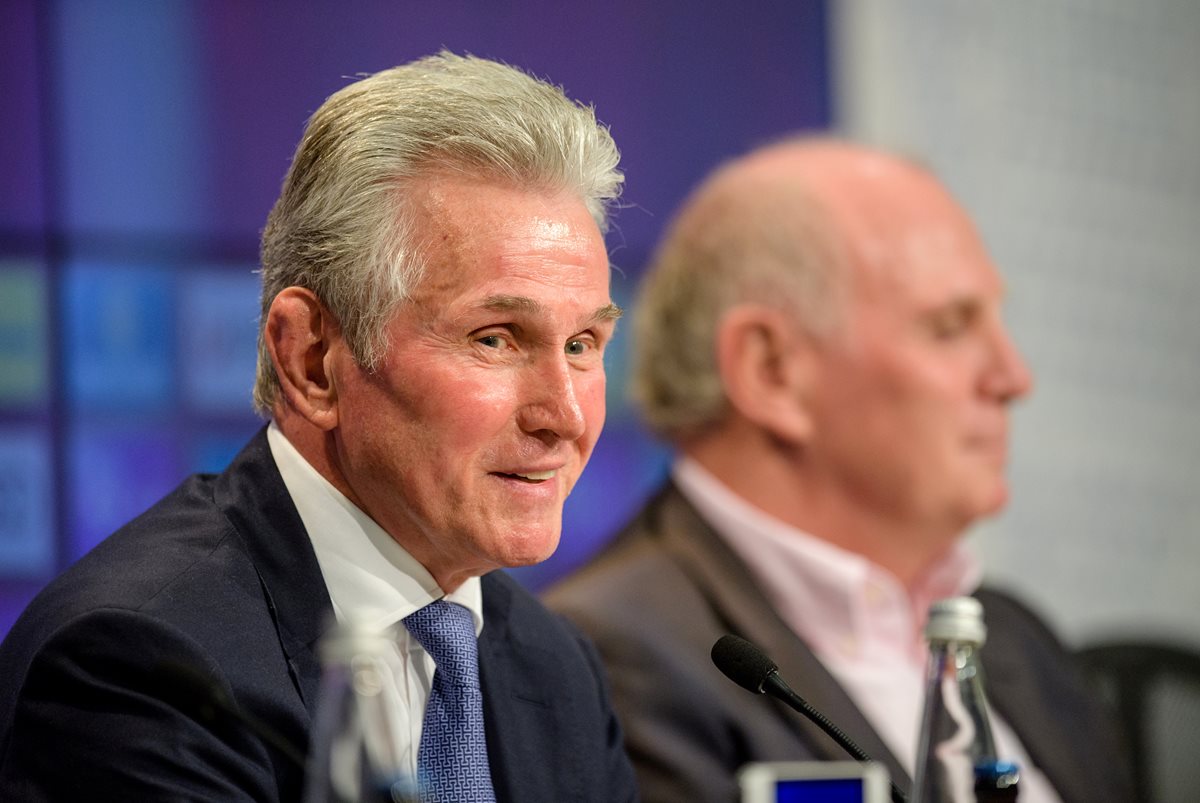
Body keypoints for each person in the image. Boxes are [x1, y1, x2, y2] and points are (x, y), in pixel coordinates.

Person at [0, 52, 638, 802]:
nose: (564, 416)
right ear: (312, 359)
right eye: (495, 337)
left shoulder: (554, 668)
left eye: (582, 345)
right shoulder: (139, 665)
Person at [546, 139, 1132, 803]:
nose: (1012, 377)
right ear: (773, 371)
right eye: (949, 326)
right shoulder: (605, 658)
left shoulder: (1015, 636)